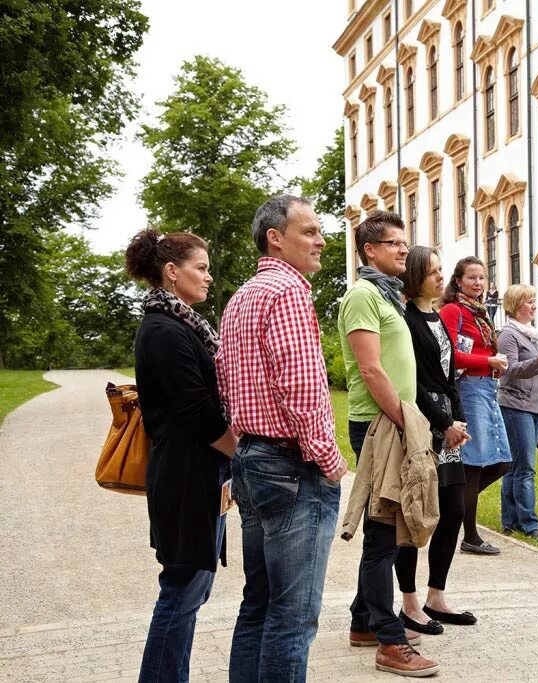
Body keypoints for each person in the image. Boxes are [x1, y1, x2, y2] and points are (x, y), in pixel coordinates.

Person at [216, 195, 347, 682]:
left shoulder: (242, 296)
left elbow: (224, 381)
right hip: (292, 467)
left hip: (251, 460)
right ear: (276, 237)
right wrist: (329, 459)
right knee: (292, 618)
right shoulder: (289, 292)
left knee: (259, 606)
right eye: (309, 231)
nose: (321, 239)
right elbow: (302, 386)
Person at [127, 229, 238, 683]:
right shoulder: (163, 330)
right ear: (172, 272)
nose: (208, 277)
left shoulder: (181, 324)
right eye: (201, 267)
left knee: (192, 589)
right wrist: (242, 454)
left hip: (200, 473)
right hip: (185, 477)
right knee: (182, 589)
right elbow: (196, 412)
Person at [338, 211, 440, 676]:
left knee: (388, 529)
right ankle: (388, 640)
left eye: (405, 242)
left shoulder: (387, 296)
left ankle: (364, 621)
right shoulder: (362, 296)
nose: (404, 249)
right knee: (382, 534)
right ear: (369, 252)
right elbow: (370, 370)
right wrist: (405, 422)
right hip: (382, 425)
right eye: (394, 243)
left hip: (395, 420)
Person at [395, 246, 478, 634]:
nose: (440, 277)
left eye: (441, 270)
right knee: (416, 512)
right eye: (433, 272)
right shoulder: (406, 319)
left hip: (447, 423)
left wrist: (457, 417)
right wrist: (444, 421)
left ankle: (436, 596)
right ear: (415, 277)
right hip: (424, 423)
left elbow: (449, 374)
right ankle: (409, 603)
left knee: (454, 509)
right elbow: (413, 383)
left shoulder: (437, 317)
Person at [439, 257, 511, 555]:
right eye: (472, 278)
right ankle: (469, 534)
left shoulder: (481, 313)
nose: (479, 283)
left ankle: (450, 506)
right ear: (458, 281)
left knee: (503, 460)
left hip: (486, 388)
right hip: (468, 389)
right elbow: (450, 355)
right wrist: (488, 361)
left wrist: (494, 367)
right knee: (475, 464)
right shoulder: (453, 310)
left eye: (482, 278)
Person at [497, 284, 538, 537]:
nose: (534, 306)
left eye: (534, 301)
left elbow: (537, 369)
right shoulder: (508, 335)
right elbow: (508, 371)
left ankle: (510, 520)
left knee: (517, 465)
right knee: (525, 468)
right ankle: (529, 523)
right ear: (515, 305)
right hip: (516, 404)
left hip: (535, 405)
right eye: (529, 302)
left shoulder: (531, 334)